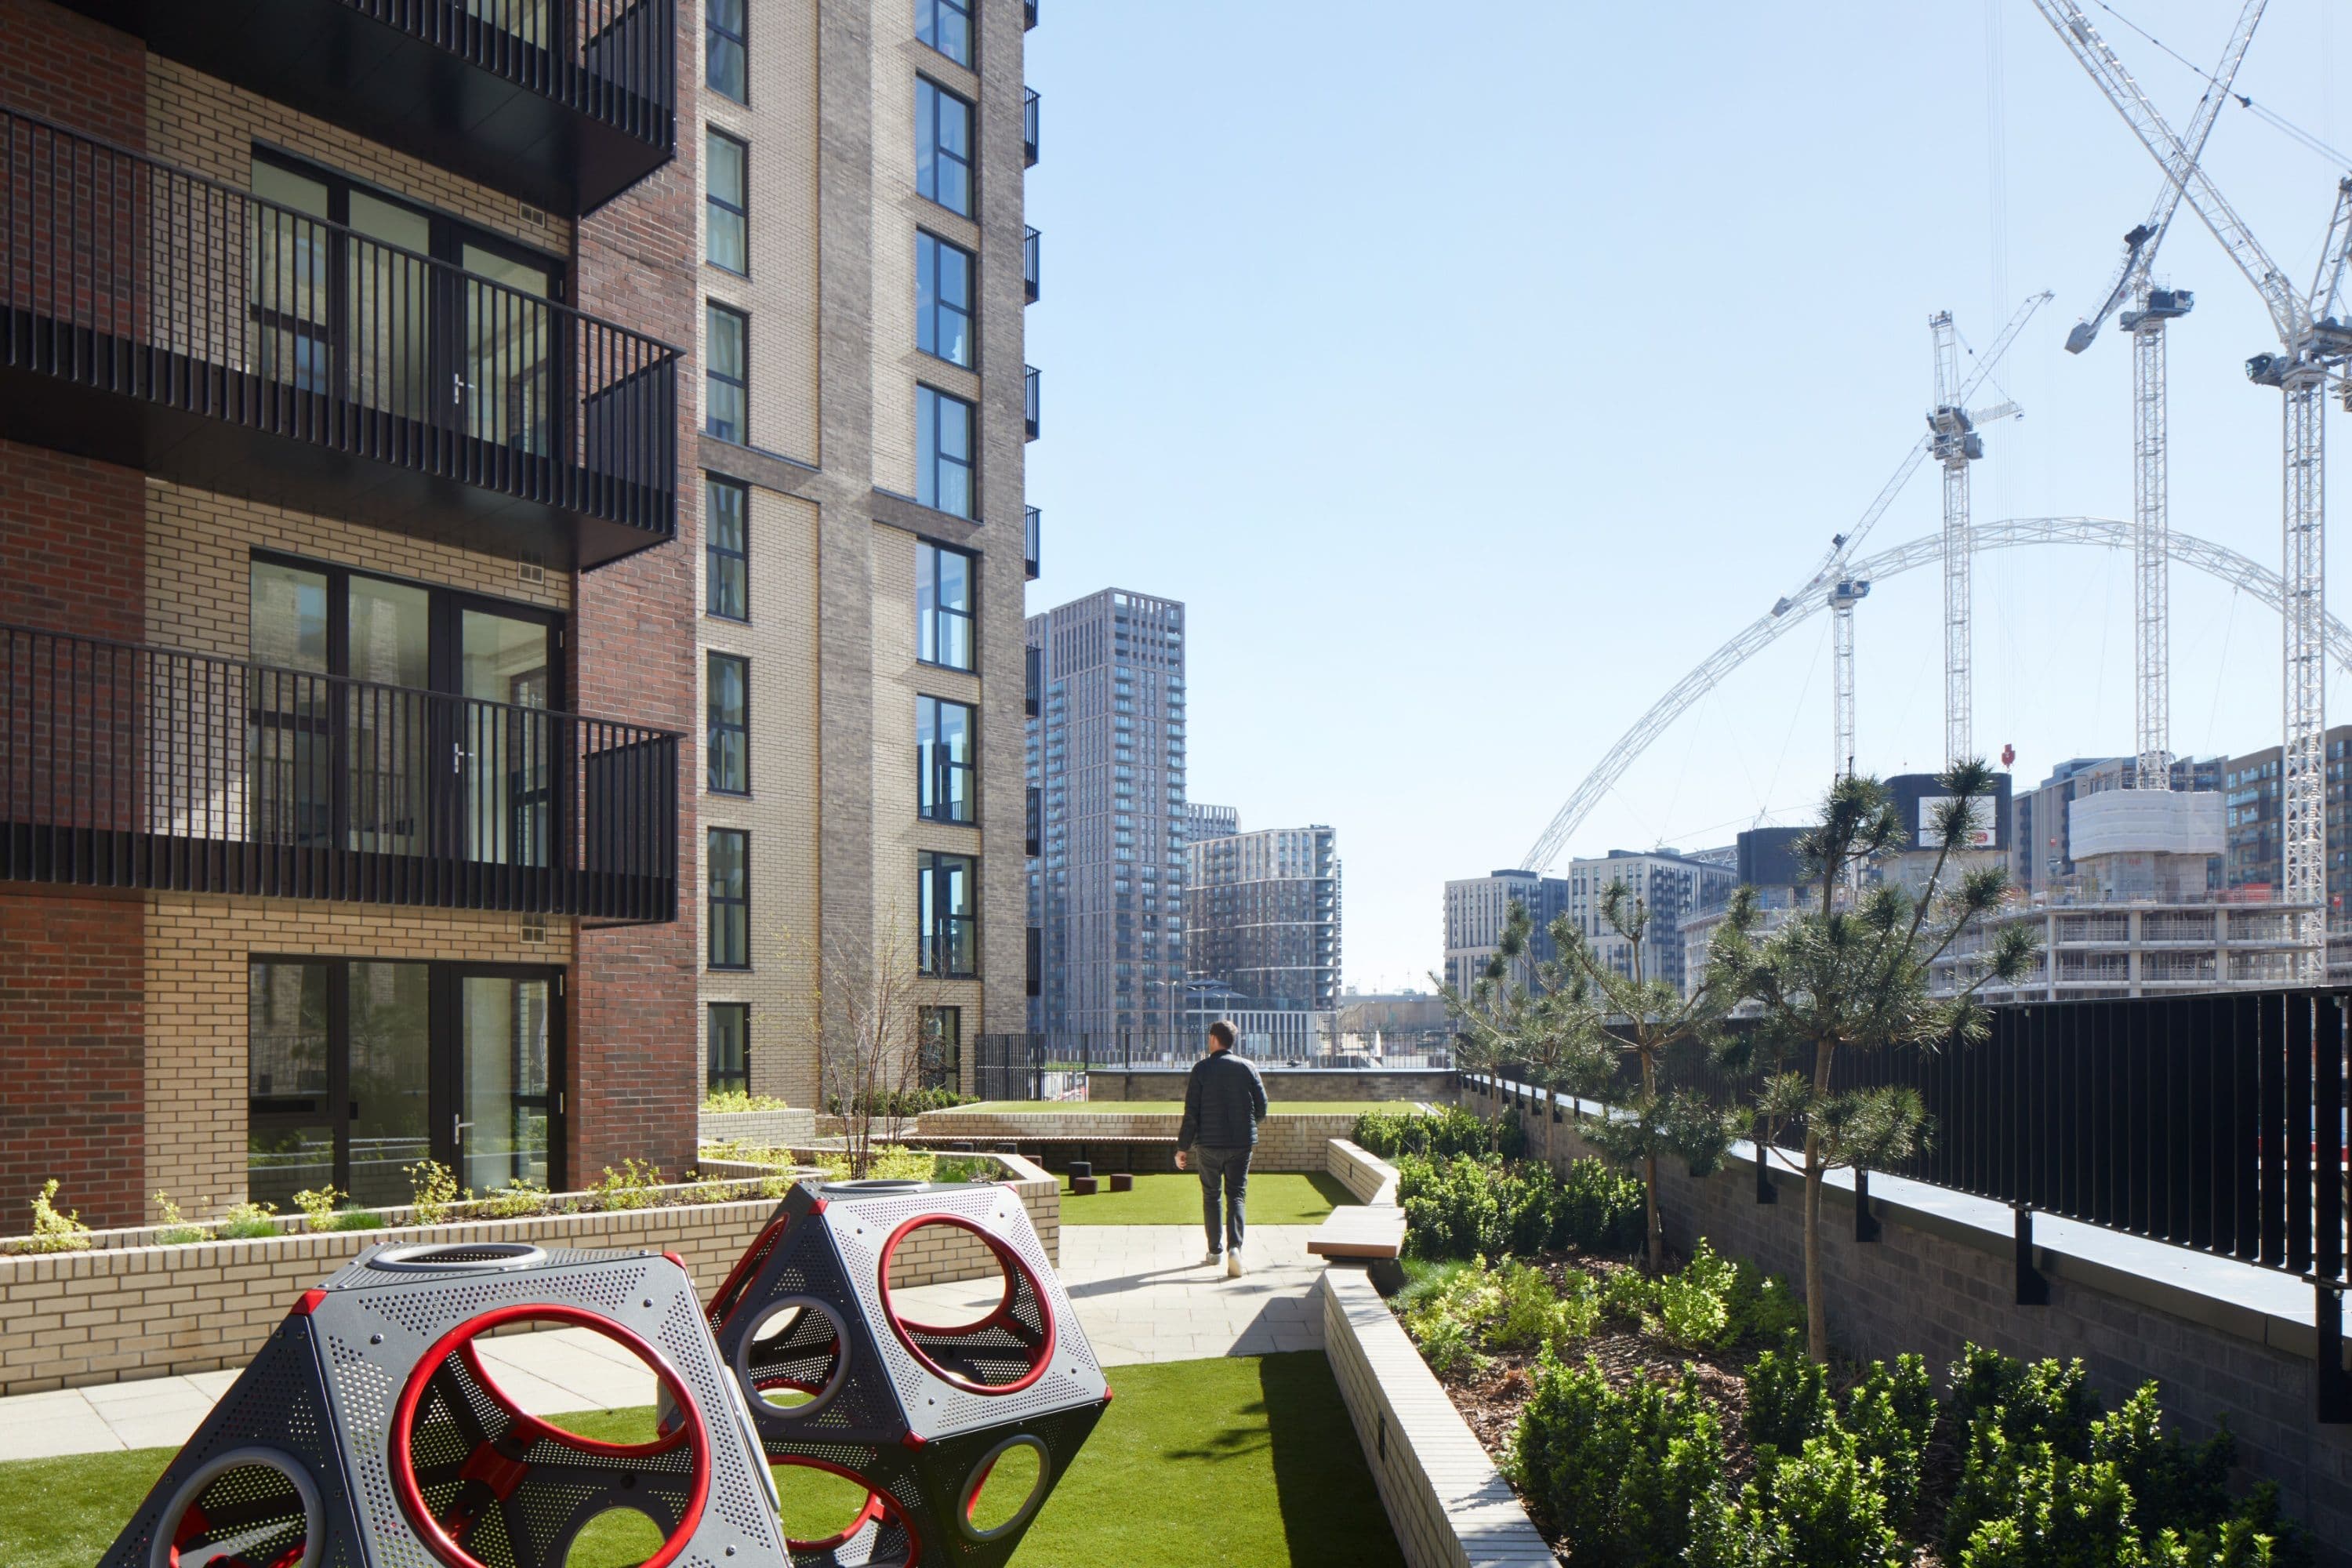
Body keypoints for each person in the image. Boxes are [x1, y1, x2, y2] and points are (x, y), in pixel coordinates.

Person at [1174, 1019, 1267, 1276]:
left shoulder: (1201, 1069)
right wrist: (1247, 1125)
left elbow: (1191, 1114)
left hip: (1209, 1145)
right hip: (1241, 1143)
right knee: (1237, 1195)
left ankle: (1214, 1251)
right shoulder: (1248, 1067)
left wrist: (1182, 1148)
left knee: (1211, 1195)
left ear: (1214, 1038)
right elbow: (1262, 1107)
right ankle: (1235, 1248)